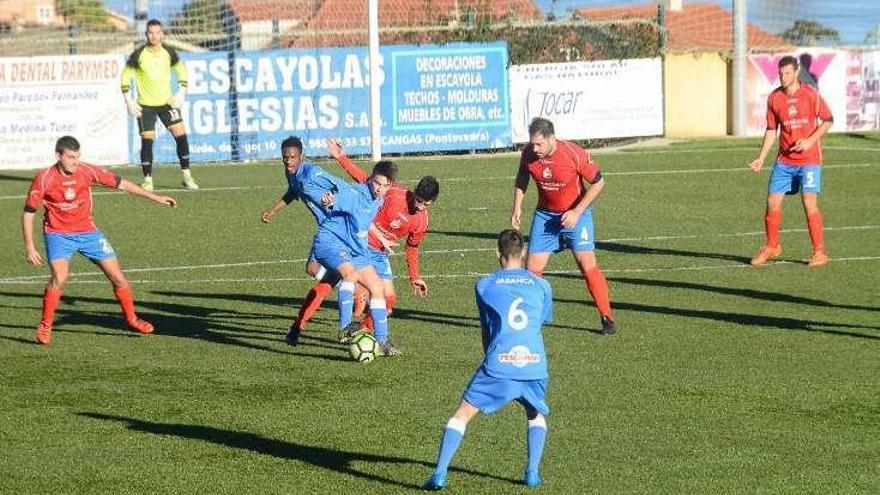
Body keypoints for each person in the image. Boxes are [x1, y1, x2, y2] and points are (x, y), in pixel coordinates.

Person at [423, 229, 553, 491]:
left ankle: (439, 473)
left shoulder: (484, 285)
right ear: (524, 253)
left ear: (498, 254)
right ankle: (532, 473)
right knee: (535, 412)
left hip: (498, 363)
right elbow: (541, 322)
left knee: (462, 414)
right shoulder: (542, 285)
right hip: (535, 362)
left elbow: (487, 329)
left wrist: (492, 356)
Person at [22, 136, 177, 346]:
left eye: (77, 156)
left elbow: (123, 184)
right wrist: (30, 246)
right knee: (60, 277)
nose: (75, 161)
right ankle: (46, 325)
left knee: (119, 278)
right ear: (58, 156)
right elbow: (29, 213)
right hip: (58, 235)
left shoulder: (87, 170)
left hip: (88, 233)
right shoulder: (44, 178)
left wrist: (156, 197)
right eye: (70, 157)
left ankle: (132, 319)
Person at [291, 138, 439, 338]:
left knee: (388, 298)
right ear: (414, 192)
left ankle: (361, 331)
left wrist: (415, 277)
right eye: (418, 200)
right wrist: (341, 158)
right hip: (358, 242)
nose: (419, 206)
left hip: (379, 253)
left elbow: (412, 247)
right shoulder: (393, 193)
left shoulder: (422, 222)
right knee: (329, 280)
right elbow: (364, 180)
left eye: (425, 204)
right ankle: (299, 325)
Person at [511, 117, 616, 335]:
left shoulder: (573, 153)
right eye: (532, 143)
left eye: (539, 144)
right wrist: (517, 207)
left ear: (551, 138)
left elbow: (599, 182)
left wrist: (577, 212)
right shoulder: (529, 154)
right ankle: (530, 320)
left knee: (587, 265)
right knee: (532, 272)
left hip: (577, 216)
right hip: (545, 218)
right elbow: (522, 177)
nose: (534, 148)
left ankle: (607, 318)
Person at [304, 161, 399, 356]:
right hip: (333, 242)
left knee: (377, 288)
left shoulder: (379, 200)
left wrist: (381, 239)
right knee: (350, 275)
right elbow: (336, 199)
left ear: (391, 185)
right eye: (377, 183)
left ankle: (382, 342)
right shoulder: (356, 194)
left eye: (385, 185)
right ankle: (346, 328)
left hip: (355, 248)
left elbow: (366, 221)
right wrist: (329, 200)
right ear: (371, 179)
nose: (379, 189)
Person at [748, 55, 833, 268]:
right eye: (780, 73)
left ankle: (820, 252)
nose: (783, 77)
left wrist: (809, 141)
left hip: (809, 160)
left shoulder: (811, 94)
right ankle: (772, 246)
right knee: (772, 202)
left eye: (787, 73)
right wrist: (761, 158)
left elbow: (828, 120)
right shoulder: (774, 98)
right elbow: (771, 129)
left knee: (808, 202)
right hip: (784, 161)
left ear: (796, 72)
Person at [120, 18, 198, 191]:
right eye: (150, 33)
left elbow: (181, 70)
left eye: (157, 32)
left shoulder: (169, 52)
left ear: (162, 34)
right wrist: (128, 101)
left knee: (181, 135)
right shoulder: (138, 54)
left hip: (167, 103)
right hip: (145, 105)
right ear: (146, 34)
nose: (154, 36)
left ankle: (187, 175)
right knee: (147, 140)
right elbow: (125, 76)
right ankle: (148, 180)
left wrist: (182, 91)